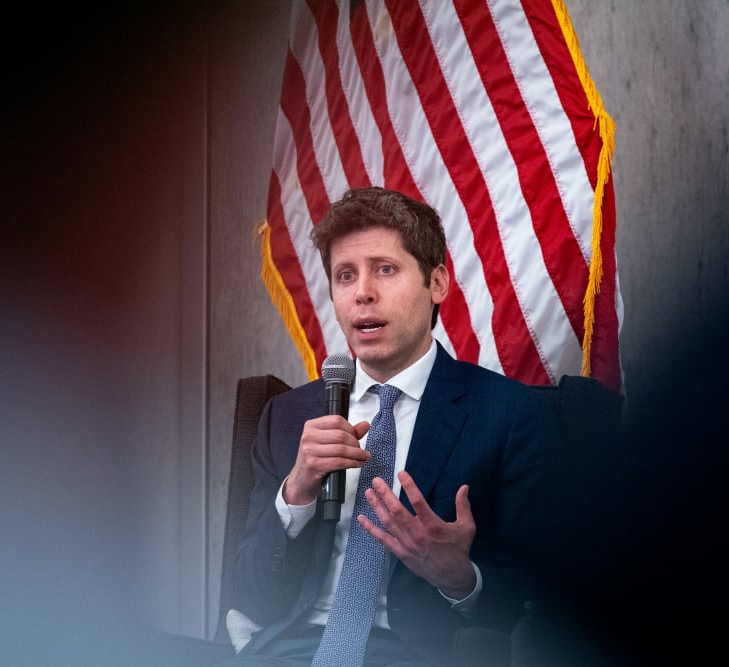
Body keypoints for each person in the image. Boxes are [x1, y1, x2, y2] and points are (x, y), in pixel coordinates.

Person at [219, 187, 560, 666]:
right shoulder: (288, 415)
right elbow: (250, 595)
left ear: (436, 283)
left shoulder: (507, 414)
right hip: (290, 648)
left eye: (385, 269)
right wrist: (295, 495)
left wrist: (459, 577)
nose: (363, 292)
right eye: (345, 275)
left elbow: (541, 598)